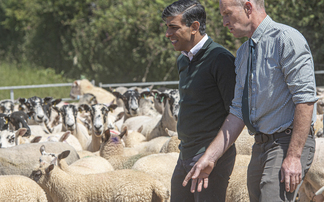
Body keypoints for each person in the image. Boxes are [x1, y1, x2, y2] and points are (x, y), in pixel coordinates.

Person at [182, 0, 318, 201]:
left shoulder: (286, 39)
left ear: (248, 7)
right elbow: (237, 111)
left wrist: (293, 156)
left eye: (227, 14)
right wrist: (209, 157)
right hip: (260, 144)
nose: (224, 22)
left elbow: (305, 99)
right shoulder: (244, 52)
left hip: (286, 141)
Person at [161, 0, 237, 201]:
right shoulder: (183, 60)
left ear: (194, 26)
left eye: (173, 27)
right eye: (167, 27)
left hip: (210, 158)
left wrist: (211, 156)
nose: (168, 34)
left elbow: (235, 112)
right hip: (186, 152)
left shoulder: (220, 59)